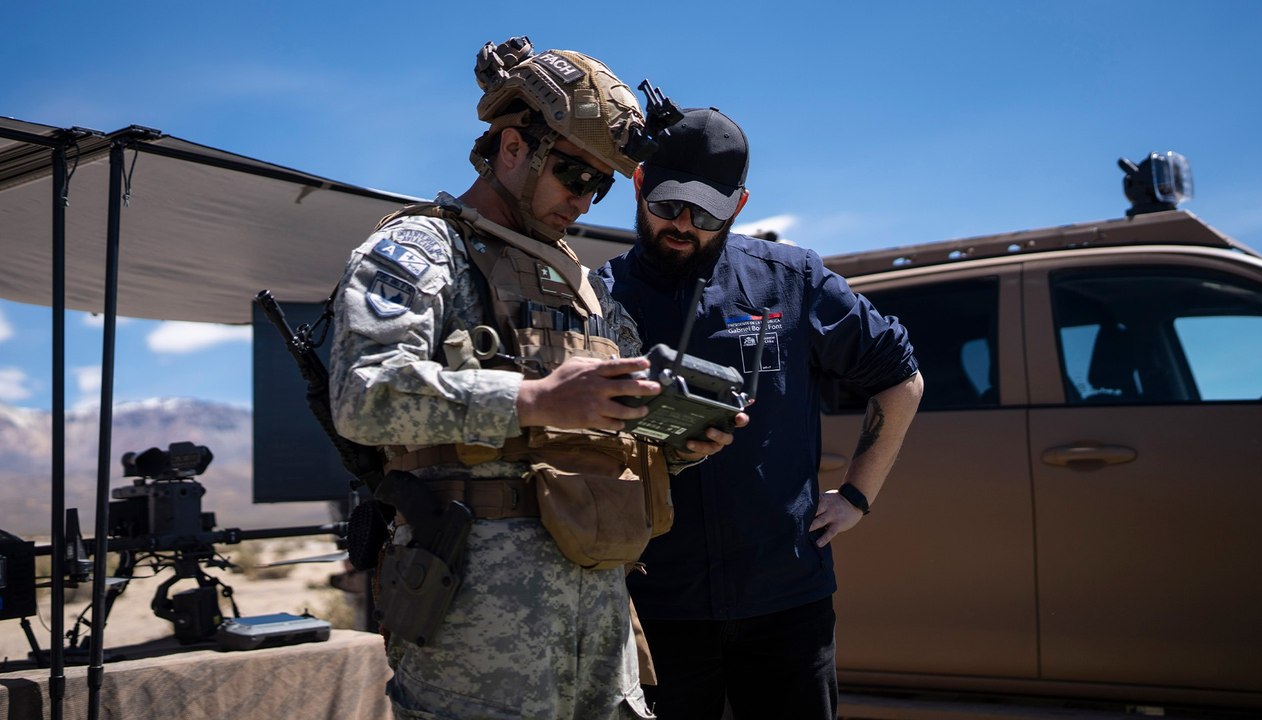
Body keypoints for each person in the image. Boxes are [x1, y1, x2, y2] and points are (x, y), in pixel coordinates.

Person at [327, 39, 736, 720]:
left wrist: (679, 443)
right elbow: (363, 395)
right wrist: (534, 399)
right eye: (574, 175)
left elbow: (618, 434)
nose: (585, 200)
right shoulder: (424, 252)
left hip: (598, 627)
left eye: (601, 185)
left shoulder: (588, 290)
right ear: (513, 148)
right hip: (477, 634)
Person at [599, 108, 925, 720]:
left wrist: (858, 496)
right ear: (639, 184)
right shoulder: (598, 298)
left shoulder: (791, 281)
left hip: (786, 600)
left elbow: (900, 381)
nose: (684, 224)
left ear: (739, 206)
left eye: (707, 213)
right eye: (668, 204)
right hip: (655, 605)